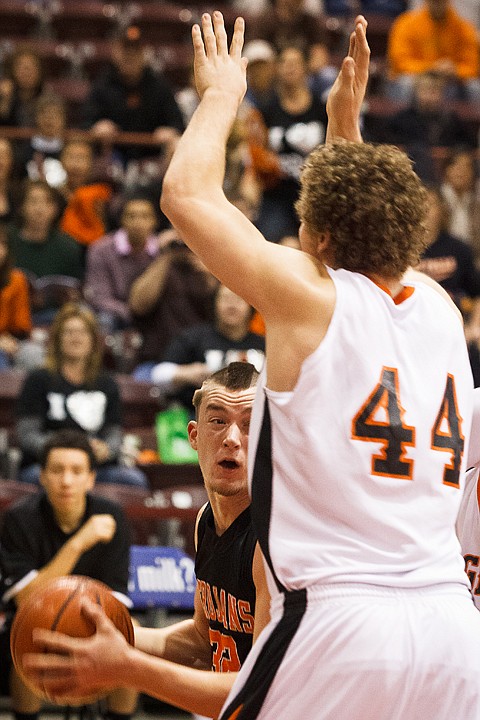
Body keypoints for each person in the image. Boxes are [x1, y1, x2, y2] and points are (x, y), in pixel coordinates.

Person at [20, 13, 480, 719]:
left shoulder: (307, 296)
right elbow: (366, 237)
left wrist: (221, 95)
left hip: (344, 618)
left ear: (319, 238)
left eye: (303, 227)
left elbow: (186, 196)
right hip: (452, 630)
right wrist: (345, 124)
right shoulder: (441, 310)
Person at [21, 363, 270, 719]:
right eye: (218, 421)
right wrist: (113, 634)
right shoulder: (206, 521)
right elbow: (203, 640)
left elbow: (258, 692)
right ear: (194, 435)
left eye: (248, 424)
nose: (232, 437)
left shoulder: (272, 536)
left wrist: (128, 666)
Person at [0, 429, 137, 720]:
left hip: (93, 618)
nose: (66, 480)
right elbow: (26, 599)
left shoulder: (113, 517)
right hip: (31, 621)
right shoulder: (18, 518)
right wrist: (78, 543)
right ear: (42, 476)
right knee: (28, 637)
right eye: (57, 470)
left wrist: (75, 619)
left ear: (91, 478)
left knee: (128, 635)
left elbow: (116, 599)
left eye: (76, 471)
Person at [15, 302, 148, 488]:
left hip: (95, 468)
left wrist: (107, 450)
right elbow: (28, 435)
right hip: (50, 467)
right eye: (69, 332)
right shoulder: (39, 379)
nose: (75, 338)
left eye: (82, 332)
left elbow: (114, 433)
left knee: (133, 481)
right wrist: (66, 450)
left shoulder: (107, 384)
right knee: (33, 477)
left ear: (93, 340)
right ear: (58, 338)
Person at [136, 284, 265, 409]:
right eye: (226, 299)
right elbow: (158, 374)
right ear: (214, 303)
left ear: (251, 306)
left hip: (254, 414)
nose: (232, 305)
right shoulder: (194, 338)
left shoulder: (264, 344)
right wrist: (187, 373)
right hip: (198, 414)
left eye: (239, 300)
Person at [82, 25, 185, 164]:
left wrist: (170, 131)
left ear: (144, 54)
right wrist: (96, 127)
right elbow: (85, 122)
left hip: (151, 159)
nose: (130, 56)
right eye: (125, 50)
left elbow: (177, 124)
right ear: (116, 53)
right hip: (112, 156)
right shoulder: (102, 84)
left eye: (135, 51)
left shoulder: (159, 86)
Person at [83, 194, 160, 333]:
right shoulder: (100, 249)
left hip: (151, 314)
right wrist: (131, 313)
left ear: (154, 221)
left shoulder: (162, 251)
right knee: (102, 320)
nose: (138, 223)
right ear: (122, 220)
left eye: (145, 216)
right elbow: (99, 297)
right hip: (114, 314)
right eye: (131, 216)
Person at [387, 0, 480, 101]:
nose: (437, 3)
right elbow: (400, 62)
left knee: (474, 88)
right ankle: (403, 117)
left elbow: (472, 67)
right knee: (405, 83)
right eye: (434, 1)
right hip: (418, 79)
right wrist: (431, 68)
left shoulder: (464, 28)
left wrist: (455, 70)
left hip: (450, 83)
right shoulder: (406, 23)